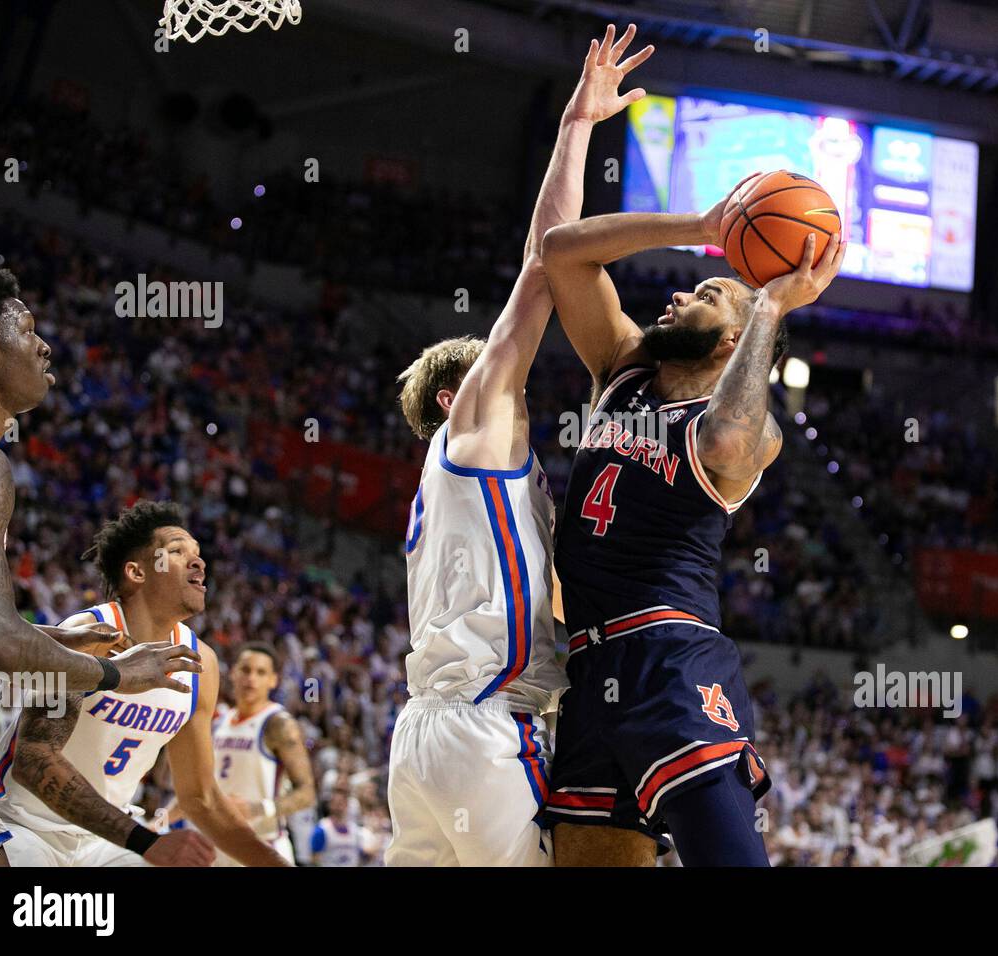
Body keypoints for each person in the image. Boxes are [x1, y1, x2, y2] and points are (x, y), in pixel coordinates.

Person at [385, 24, 653, 867]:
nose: (520, 383)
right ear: (449, 397)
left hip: (426, 736)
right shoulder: (477, 426)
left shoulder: (480, 484)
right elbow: (545, 264)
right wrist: (579, 126)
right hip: (483, 729)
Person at [538, 167, 846, 865]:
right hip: (586, 667)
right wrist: (703, 231)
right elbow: (561, 251)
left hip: (669, 662)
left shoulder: (748, 432)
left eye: (706, 295)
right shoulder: (621, 370)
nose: (678, 293)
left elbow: (727, 441)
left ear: (735, 340)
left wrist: (769, 308)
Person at [0, 262, 201, 866]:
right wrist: (118, 676)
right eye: (27, 331)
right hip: (35, 828)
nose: (43, 345)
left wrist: (52, 638)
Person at [0, 501, 288, 866]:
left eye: (198, 554)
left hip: (104, 837)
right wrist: (145, 842)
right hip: (22, 824)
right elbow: (34, 760)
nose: (199, 562)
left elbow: (200, 798)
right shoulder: (86, 636)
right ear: (137, 572)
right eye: (176, 552)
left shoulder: (203, 664)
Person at [166, 642, 316, 865]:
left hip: (262, 845)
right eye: (245, 670)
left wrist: (257, 808)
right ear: (234, 673)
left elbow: (307, 793)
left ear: (273, 680)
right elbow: (196, 791)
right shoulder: (218, 723)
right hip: (215, 850)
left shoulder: (278, 723)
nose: (251, 679)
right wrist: (158, 822)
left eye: (261, 672)